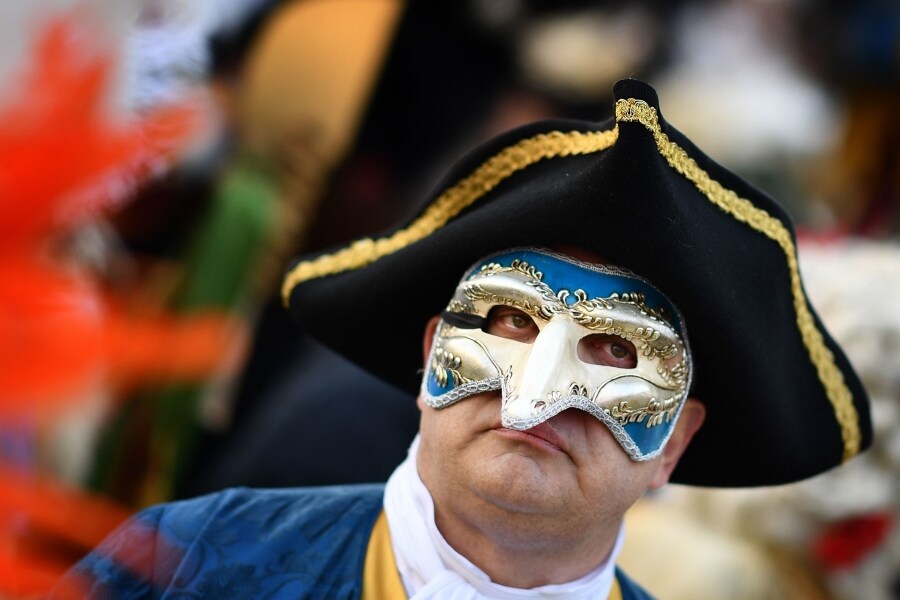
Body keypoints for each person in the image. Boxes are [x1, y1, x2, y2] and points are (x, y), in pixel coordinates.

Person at [50, 79, 872, 599]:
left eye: (616, 351)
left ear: (675, 445)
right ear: (431, 350)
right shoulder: (188, 567)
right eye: (512, 319)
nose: (536, 392)